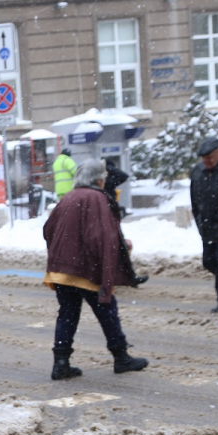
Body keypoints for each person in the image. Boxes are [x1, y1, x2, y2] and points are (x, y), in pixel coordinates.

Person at [43, 158, 148, 379]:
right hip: (86, 268)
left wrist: (61, 254)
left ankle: (60, 363)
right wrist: (106, 275)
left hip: (62, 270)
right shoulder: (98, 198)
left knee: (67, 315)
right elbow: (102, 238)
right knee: (107, 310)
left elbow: (48, 229)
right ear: (99, 180)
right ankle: (121, 357)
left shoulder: (67, 198)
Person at [190, 136, 218, 313]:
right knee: (209, 262)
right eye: (203, 157)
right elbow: (194, 200)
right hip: (208, 228)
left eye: (210, 157)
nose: (206, 161)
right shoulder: (198, 171)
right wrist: (199, 220)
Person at [102, 159, 148, 287]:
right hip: (101, 220)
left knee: (121, 247)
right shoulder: (98, 184)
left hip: (110, 218)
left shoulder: (107, 183)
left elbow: (123, 177)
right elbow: (123, 176)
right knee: (103, 249)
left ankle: (130, 277)